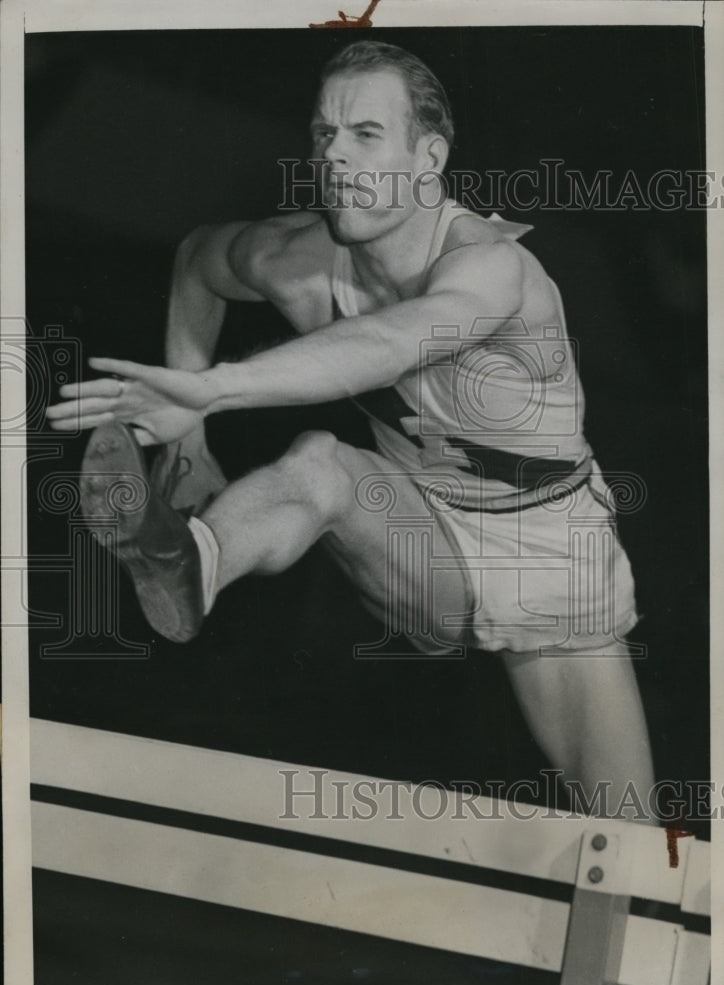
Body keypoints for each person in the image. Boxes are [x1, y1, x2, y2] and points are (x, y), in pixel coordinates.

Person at [46, 41, 654, 818]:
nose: (336, 156)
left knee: (627, 833)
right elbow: (200, 258)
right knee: (320, 465)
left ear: (428, 155)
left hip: (548, 544)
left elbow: (392, 343)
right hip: (413, 526)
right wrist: (189, 439)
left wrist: (210, 388)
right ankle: (187, 556)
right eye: (323, 134)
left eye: (366, 134)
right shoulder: (299, 257)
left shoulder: (494, 270)